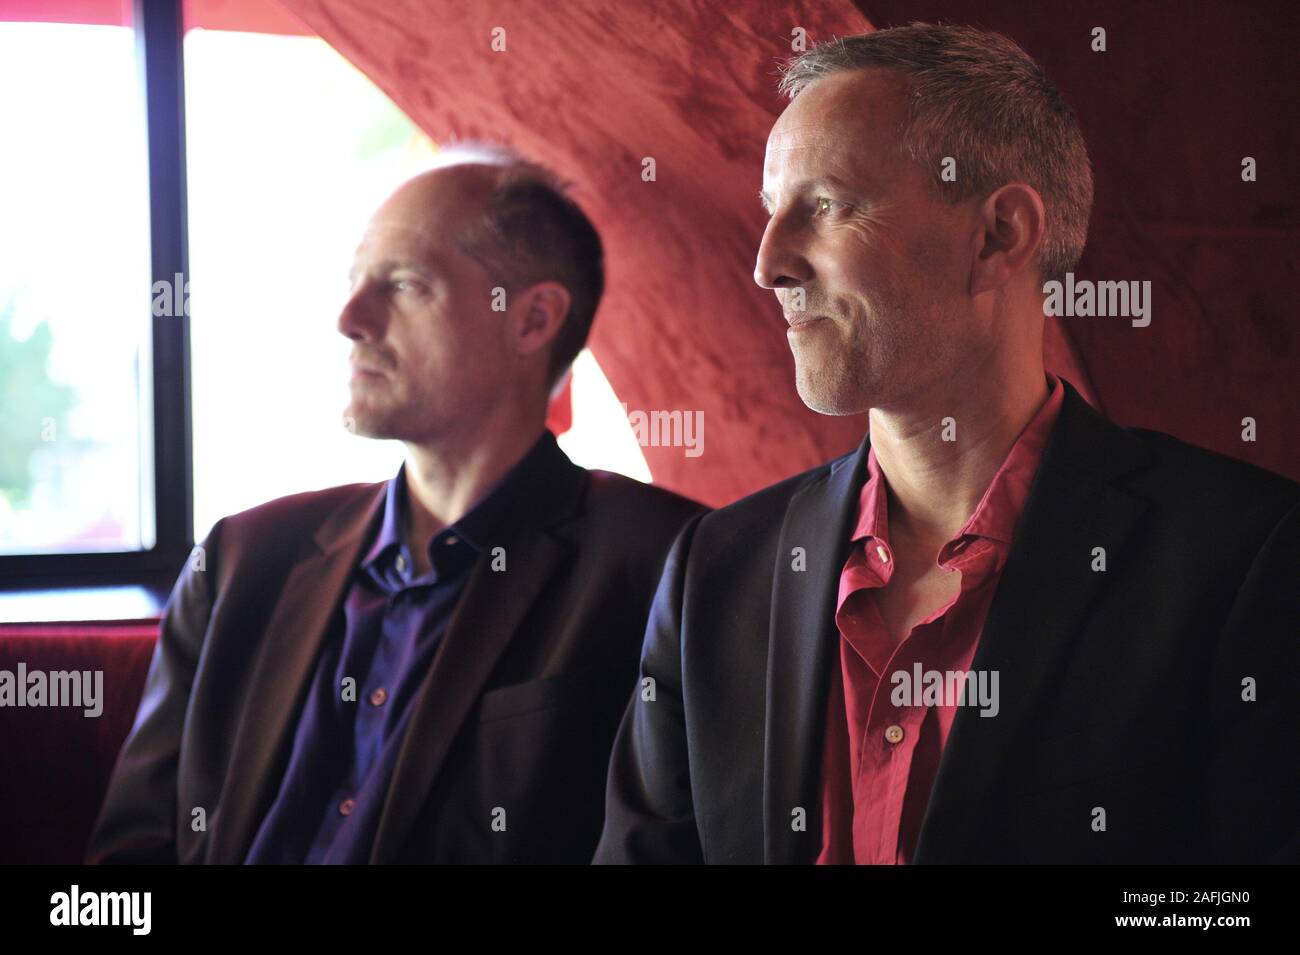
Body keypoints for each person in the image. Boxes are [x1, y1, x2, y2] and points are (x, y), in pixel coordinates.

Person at [595, 25, 1299, 864]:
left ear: (1001, 234)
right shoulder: (716, 570)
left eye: (825, 205)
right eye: (770, 212)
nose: (768, 263)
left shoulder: (1245, 558)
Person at [88, 144, 704, 864]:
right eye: (355, 282)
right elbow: (126, 862)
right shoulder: (242, 556)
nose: (350, 317)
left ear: (532, 320)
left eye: (405, 284)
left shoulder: (665, 565)